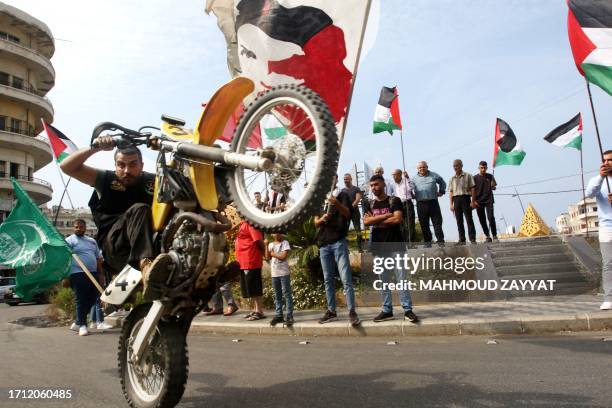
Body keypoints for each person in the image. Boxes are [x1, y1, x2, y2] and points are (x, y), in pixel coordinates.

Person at [60, 137, 170, 301]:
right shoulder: (104, 179)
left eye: (133, 164)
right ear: (115, 166)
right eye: (121, 165)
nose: (127, 170)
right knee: (139, 209)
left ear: (142, 165)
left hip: (149, 245)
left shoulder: (155, 181)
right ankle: (146, 266)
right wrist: (95, 147)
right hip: (115, 248)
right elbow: (67, 167)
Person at [364, 175, 419, 323]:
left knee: (401, 278)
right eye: (371, 185)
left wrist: (377, 221)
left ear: (383, 184)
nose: (373, 188)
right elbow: (366, 222)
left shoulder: (394, 200)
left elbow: (398, 219)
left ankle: (407, 310)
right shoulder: (369, 203)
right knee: (383, 280)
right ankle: (387, 310)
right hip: (378, 246)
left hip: (396, 245)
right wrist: (387, 215)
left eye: (376, 184)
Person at [314, 176, 360, 327]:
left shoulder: (342, 194)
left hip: (338, 241)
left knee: (346, 279)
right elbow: (315, 222)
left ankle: (352, 311)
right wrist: (322, 219)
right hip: (324, 243)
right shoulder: (319, 198)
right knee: (328, 280)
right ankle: (331, 311)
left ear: (336, 178)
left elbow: (348, 214)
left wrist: (337, 204)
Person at [66, 219, 106, 336]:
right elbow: (64, 258)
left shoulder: (92, 241)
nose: (78, 229)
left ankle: (78, 321)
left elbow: (98, 258)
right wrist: (65, 276)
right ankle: (83, 326)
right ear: (73, 228)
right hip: (77, 273)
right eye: (76, 227)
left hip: (93, 273)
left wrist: (101, 274)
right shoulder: (69, 241)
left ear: (85, 228)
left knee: (93, 298)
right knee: (81, 299)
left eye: (81, 227)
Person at [585, 150, 612, 310]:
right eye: (604, 160)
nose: (607, 163)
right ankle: (609, 298)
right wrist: (601, 177)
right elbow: (589, 194)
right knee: (608, 263)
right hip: (607, 228)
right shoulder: (597, 180)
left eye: (610, 160)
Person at [235, 220, 266, 320]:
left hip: (251, 260)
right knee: (250, 287)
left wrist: (265, 252)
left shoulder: (252, 224)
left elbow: (258, 240)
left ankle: (259, 311)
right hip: (244, 261)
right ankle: (255, 309)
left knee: (254, 286)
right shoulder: (243, 223)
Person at [412, 161, 446, 247]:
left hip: (433, 202)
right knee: (424, 224)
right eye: (420, 168)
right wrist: (412, 195)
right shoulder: (414, 178)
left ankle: (440, 241)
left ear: (427, 167)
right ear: (418, 169)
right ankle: (428, 242)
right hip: (421, 204)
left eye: (424, 167)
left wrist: (441, 191)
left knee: (437, 223)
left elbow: (442, 182)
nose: (422, 169)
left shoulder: (434, 175)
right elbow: (409, 188)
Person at [265, 233, 294, 326]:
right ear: (272, 234)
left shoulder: (285, 243)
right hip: (275, 274)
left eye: (278, 232)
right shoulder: (270, 245)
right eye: (274, 232)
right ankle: (279, 315)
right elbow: (267, 257)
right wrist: (266, 245)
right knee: (277, 295)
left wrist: (273, 254)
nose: (277, 234)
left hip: (284, 273)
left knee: (287, 294)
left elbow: (283, 257)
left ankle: (289, 316)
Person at [448, 159, 478, 245]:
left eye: (457, 165)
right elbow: (451, 191)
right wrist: (451, 204)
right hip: (456, 200)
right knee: (459, 220)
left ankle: (472, 239)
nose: (456, 167)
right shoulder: (452, 179)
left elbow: (473, 188)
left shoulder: (468, 175)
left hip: (466, 198)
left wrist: (473, 201)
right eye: (454, 166)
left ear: (461, 165)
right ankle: (462, 239)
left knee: (469, 219)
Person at [473, 161, 498, 242]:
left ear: (486, 168)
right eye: (481, 168)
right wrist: (473, 201)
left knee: (491, 218)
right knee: (482, 220)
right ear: (479, 168)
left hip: (489, 200)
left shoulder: (490, 176)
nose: (483, 169)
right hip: (478, 202)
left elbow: (494, 187)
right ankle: (487, 236)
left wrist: (492, 184)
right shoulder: (475, 178)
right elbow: (471, 191)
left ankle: (494, 235)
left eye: (484, 168)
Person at [390, 169, 417, 245]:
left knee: (410, 223)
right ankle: (403, 242)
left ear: (400, 174)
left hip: (407, 203)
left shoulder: (406, 181)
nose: (394, 176)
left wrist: (408, 178)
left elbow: (412, 187)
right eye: (393, 175)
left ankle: (411, 242)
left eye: (395, 174)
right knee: (400, 224)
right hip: (398, 205)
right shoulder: (392, 184)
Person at [341, 173, 364, 252]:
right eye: (344, 179)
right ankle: (346, 249)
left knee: (358, 230)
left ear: (351, 179)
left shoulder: (356, 189)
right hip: (346, 214)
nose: (345, 181)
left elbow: (357, 199)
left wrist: (350, 208)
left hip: (355, 212)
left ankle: (359, 248)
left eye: (347, 179)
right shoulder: (342, 191)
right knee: (344, 231)